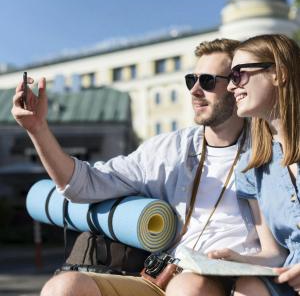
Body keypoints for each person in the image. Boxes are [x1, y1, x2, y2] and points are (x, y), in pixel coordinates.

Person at [12, 38, 281, 296]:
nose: (195, 90)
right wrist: (38, 129)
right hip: (161, 277)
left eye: (208, 81)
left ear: (236, 86)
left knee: (189, 288)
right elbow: (83, 186)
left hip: (221, 282)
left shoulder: (268, 150)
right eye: (191, 80)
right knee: (63, 287)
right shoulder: (169, 149)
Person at [226, 33, 300, 295]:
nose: (230, 86)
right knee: (247, 287)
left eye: (238, 74)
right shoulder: (251, 168)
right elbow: (274, 253)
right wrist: (238, 261)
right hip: (290, 281)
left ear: (278, 73)